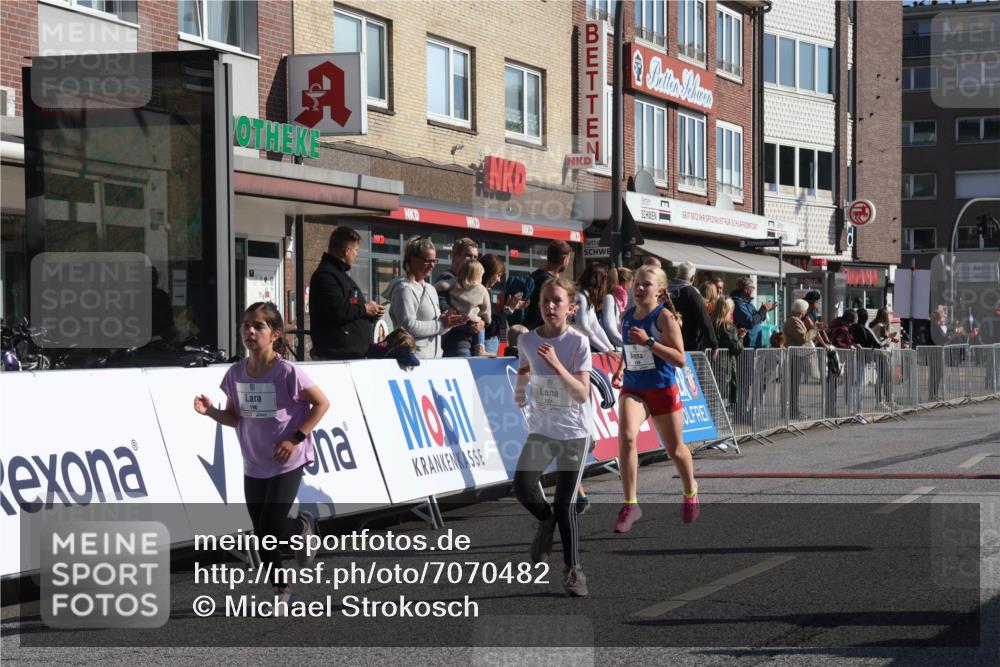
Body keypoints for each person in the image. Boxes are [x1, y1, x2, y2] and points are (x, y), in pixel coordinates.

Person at [193, 302, 331, 607]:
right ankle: (281, 591)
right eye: (245, 325)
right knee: (262, 533)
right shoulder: (235, 374)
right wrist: (211, 411)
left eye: (258, 326)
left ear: (275, 334)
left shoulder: (287, 372)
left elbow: (321, 404)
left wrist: (295, 438)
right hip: (253, 462)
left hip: (286, 460)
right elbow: (235, 418)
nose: (250, 331)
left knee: (273, 524)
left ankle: (303, 527)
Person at [513, 278, 593, 597]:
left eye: (557, 301)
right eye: (545, 300)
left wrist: (557, 365)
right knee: (522, 486)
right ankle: (545, 523)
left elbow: (582, 393)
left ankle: (574, 571)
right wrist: (520, 392)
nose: (550, 306)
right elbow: (523, 368)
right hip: (542, 429)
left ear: (569, 307)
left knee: (565, 504)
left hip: (573, 432)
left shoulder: (578, 343)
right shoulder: (528, 341)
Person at [611, 265, 699, 533]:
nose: (638, 288)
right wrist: (620, 369)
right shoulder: (627, 316)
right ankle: (631, 503)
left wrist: (650, 342)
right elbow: (628, 350)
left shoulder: (665, 318)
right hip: (634, 388)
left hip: (662, 389)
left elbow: (680, 359)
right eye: (636, 283)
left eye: (646, 284)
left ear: (659, 291)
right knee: (626, 436)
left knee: (676, 450)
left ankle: (690, 490)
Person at [309, 226, 384, 360]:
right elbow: (338, 311)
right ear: (347, 251)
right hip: (337, 358)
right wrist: (365, 308)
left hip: (350, 356)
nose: (356, 254)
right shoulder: (326, 276)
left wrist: (371, 313)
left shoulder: (340, 275)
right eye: (356, 250)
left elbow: (350, 311)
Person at [390, 236, 468, 359]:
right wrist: (441, 324)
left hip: (434, 359)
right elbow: (407, 326)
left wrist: (449, 323)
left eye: (434, 261)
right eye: (427, 260)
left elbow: (437, 328)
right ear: (413, 260)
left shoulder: (431, 289)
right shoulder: (404, 289)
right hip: (413, 359)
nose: (432, 265)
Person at [435, 238, 485, 357]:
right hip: (455, 343)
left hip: (472, 342)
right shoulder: (446, 279)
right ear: (455, 256)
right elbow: (445, 309)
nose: (473, 260)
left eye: (475, 257)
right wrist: (469, 325)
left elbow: (481, 309)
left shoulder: (474, 281)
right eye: (468, 255)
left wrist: (481, 321)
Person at [668, 260, 719, 353]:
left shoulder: (665, 290)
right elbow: (703, 318)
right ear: (692, 278)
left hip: (665, 341)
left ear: (677, 274)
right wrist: (714, 343)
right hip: (686, 343)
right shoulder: (691, 292)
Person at [783, 299, 820, 420]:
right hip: (795, 355)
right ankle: (793, 411)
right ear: (802, 311)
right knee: (793, 386)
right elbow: (802, 338)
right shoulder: (794, 321)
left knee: (795, 385)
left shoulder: (795, 320)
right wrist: (814, 330)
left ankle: (793, 410)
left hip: (797, 355)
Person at [523, 240, 573, 330]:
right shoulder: (549, 283)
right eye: (568, 259)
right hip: (541, 332)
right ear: (564, 259)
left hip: (530, 329)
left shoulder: (535, 275)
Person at [446, 260, 491, 357]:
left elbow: (442, 285)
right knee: (481, 325)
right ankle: (480, 348)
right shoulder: (481, 289)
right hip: (471, 323)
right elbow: (486, 309)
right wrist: (486, 320)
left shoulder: (454, 283)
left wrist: (434, 287)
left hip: (455, 322)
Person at [574, 263, 618, 352]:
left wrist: (611, 349)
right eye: (605, 280)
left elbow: (596, 328)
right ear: (599, 282)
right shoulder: (581, 297)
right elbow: (583, 328)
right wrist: (606, 349)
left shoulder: (587, 298)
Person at [712, 296, 744, 405]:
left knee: (714, 396)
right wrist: (740, 337)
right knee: (721, 399)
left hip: (714, 364)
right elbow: (737, 348)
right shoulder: (726, 326)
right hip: (724, 366)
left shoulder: (712, 323)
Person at [731, 276, 777, 349]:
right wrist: (762, 310)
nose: (753, 290)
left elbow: (758, 320)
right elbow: (750, 322)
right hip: (747, 345)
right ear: (746, 289)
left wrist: (765, 310)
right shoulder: (738, 304)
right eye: (752, 288)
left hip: (755, 343)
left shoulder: (747, 303)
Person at [150, 266, 174, 341]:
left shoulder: (162, 296)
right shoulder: (134, 296)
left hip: (159, 341)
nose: (152, 278)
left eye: (154, 275)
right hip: (138, 342)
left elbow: (168, 320)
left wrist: (162, 336)